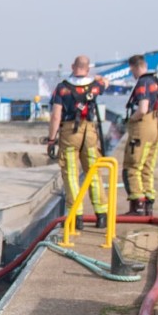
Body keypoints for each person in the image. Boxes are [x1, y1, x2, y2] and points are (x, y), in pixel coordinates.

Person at [47, 55, 108, 229]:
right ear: (87, 69)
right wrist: (95, 77)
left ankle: (76, 217)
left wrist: (52, 139)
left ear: (72, 66)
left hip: (69, 132)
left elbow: (56, 115)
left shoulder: (62, 88)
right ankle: (101, 214)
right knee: (93, 172)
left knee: (71, 174)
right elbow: (106, 82)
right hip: (89, 131)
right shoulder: (95, 86)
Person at [121, 56, 158, 216]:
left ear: (134, 67)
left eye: (131, 70)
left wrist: (131, 119)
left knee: (132, 166)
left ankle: (137, 206)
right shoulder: (155, 81)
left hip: (142, 128)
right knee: (147, 166)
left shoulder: (142, 83)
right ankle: (148, 204)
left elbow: (143, 108)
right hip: (155, 126)